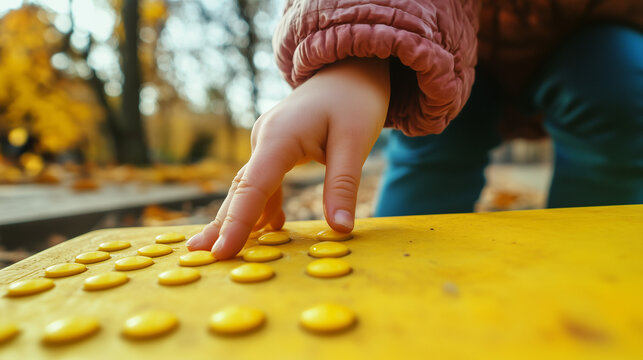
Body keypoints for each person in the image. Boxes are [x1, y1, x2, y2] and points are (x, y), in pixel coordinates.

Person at [187, 0, 643, 259]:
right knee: (434, 143)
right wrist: (361, 50)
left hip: (599, 41)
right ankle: (393, 279)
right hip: (443, 50)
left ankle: (591, 267)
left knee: (622, 88)